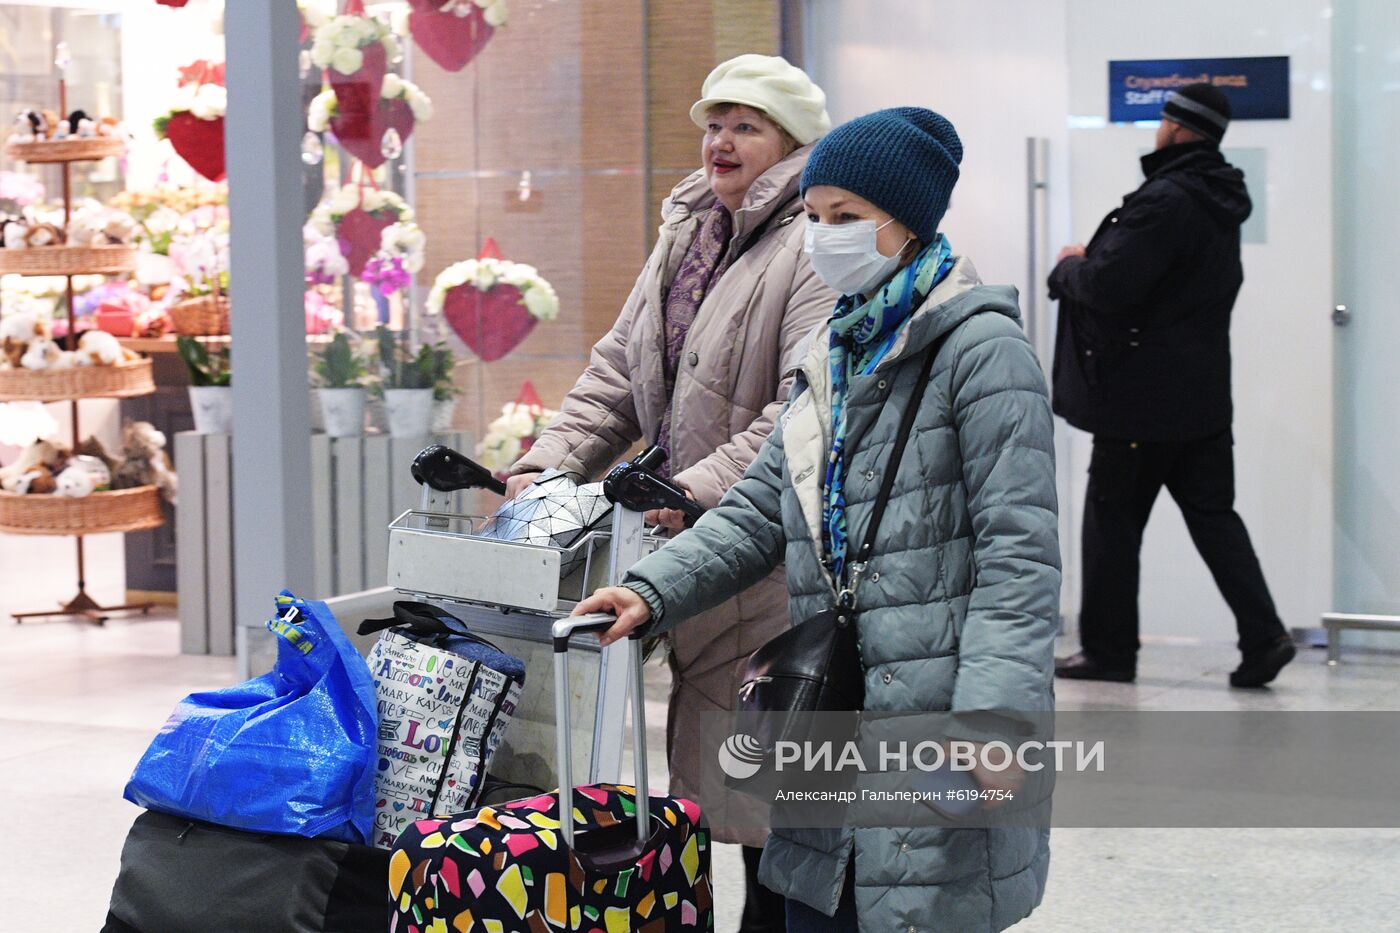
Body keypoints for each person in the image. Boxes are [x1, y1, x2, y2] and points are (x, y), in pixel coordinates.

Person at [575, 108, 1061, 932]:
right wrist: (650, 590)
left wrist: (995, 714)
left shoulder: (984, 352)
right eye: (812, 216)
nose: (822, 237)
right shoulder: (833, 350)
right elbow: (761, 508)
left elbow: (1021, 556)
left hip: (931, 711)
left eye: (846, 219)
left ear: (907, 224)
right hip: (825, 701)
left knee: (909, 903)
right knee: (810, 904)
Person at [503, 54, 836, 931]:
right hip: (691, 552)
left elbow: (799, 407)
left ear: (793, 143)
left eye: (746, 125)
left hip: (770, 555)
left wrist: (689, 488)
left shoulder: (813, 239)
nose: (720, 141)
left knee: (774, 803)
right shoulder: (690, 228)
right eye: (714, 121)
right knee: (719, 788)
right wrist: (550, 464)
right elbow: (621, 366)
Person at [1049, 82, 1296, 688]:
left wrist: (1070, 264)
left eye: (1163, 118)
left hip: (1141, 402)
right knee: (1214, 516)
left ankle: (1107, 653)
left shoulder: (1167, 200)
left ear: (1180, 128)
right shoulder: (1218, 198)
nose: (1157, 127)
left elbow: (1109, 287)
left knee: (1111, 525)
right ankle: (1264, 637)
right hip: (1202, 397)